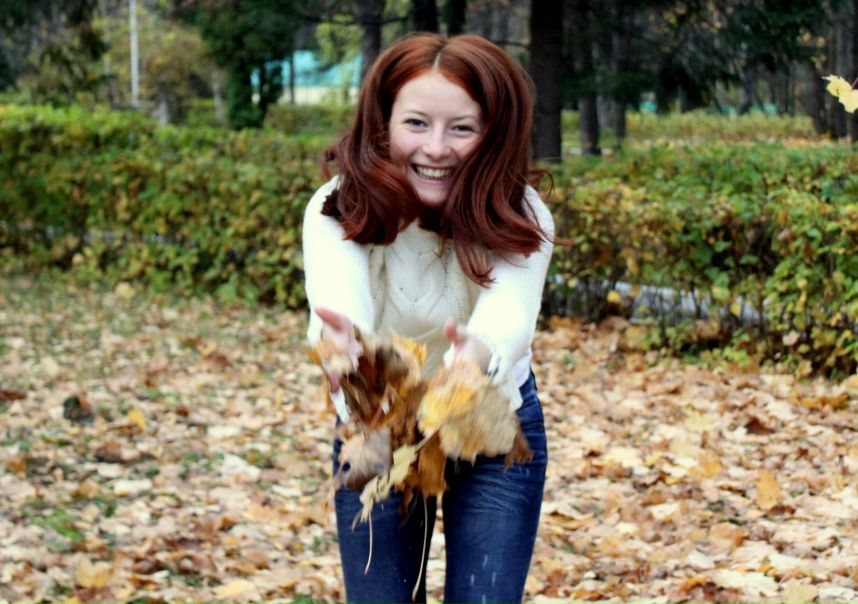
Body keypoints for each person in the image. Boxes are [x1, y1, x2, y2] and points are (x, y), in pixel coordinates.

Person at [301, 32, 554, 604]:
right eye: (416, 123)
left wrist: (473, 357)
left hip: (489, 419)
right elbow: (339, 300)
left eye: (461, 128)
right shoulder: (337, 207)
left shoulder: (523, 214)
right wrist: (348, 349)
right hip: (378, 422)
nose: (436, 148)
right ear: (383, 124)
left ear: (495, 133)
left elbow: (509, 317)